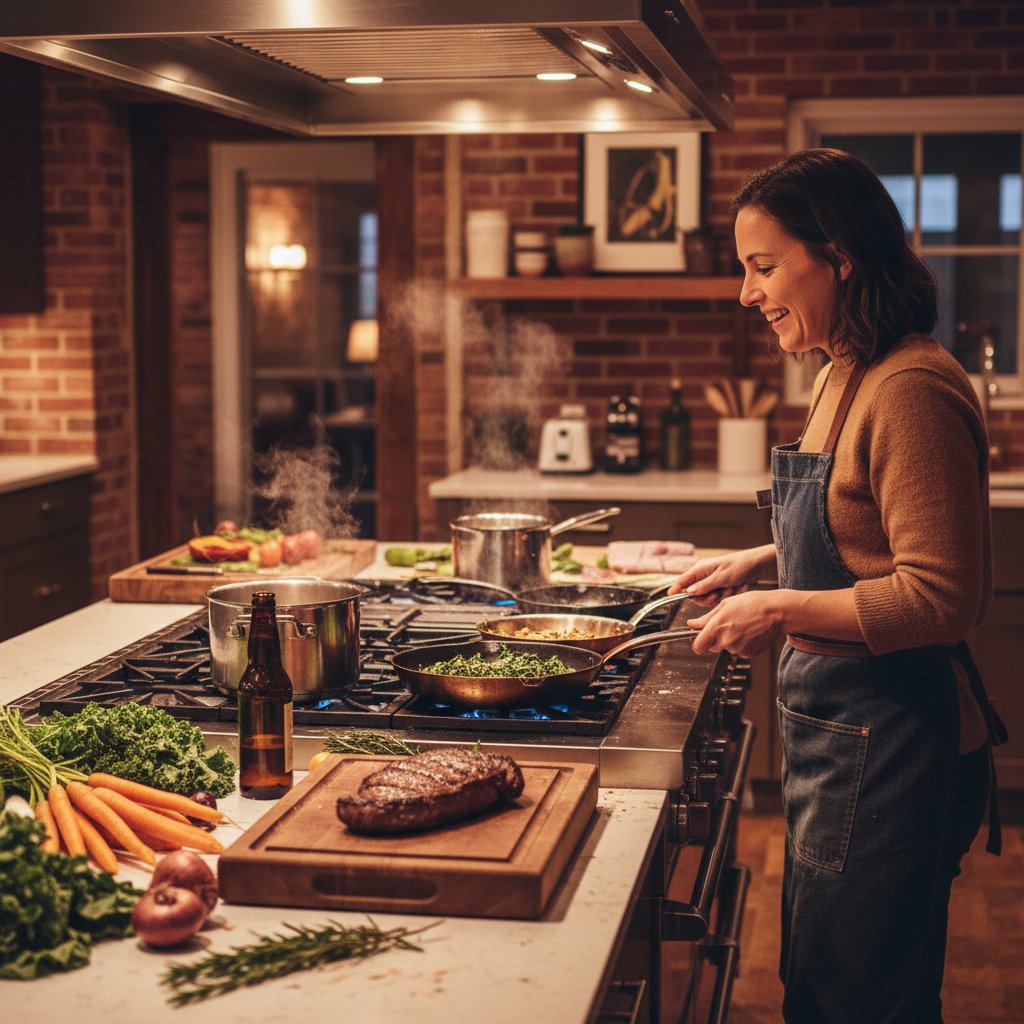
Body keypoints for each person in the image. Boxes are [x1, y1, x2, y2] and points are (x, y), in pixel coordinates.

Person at [670, 148, 1005, 1024]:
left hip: (894, 741)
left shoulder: (911, 390)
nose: (750, 294)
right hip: (840, 729)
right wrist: (763, 561)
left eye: (765, 266)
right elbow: (859, 536)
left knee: (862, 1000)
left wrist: (779, 608)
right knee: (822, 986)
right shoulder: (842, 370)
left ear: (841, 257)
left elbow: (941, 598)